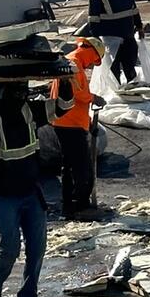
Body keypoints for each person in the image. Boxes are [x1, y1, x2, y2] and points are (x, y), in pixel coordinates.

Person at [0, 80, 73, 297]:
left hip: (31, 192)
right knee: (9, 249)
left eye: (24, 88)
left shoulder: (31, 110)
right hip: (4, 195)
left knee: (37, 249)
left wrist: (64, 79)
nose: (22, 93)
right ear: (3, 91)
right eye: (16, 89)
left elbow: (64, 105)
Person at [50, 37, 107, 220]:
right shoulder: (73, 64)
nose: (92, 65)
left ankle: (70, 205)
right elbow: (77, 93)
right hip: (70, 123)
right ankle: (79, 205)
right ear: (90, 51)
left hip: (69, 121)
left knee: (70, 166)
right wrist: (93, 98)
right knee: (80, 166)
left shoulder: (73, 63)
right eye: (94, 60)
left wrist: (88, 120)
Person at [88, 0, 144, 84]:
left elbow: (134, 10)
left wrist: (139, 27)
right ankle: (116, 91)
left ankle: (133, 89)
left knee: (130, 66)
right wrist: (96, 40)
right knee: (113, 69)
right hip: (110, 39)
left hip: (128, 35)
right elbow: (93, 19)